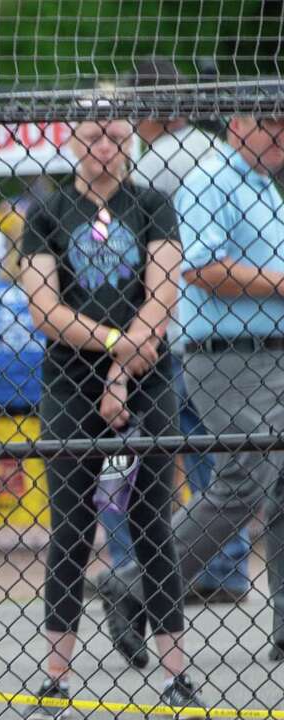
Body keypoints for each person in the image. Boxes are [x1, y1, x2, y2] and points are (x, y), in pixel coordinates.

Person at [18, 117, 202, 720]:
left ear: (133, 142)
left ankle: (177, 672)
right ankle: (54, 677)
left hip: (147, 376)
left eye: (118, 137)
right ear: (75, 142)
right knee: (71, 524)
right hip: (70, 377)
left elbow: (163, 293)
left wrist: (123, 372)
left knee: (152, 519)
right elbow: (45, 306)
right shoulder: (49, 210)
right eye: (95, 136)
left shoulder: (153, 203)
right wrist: (115, 345)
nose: (106, 148)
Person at [102, 114, 284, 662]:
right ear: (235, 126)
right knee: (242, 482)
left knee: (281, 487)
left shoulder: (262, 185)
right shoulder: (213, 178)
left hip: (270, 352)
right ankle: (135, 583)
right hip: (229, 357)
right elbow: (199, 266)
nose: (277, 133)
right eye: (267, 122)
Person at [98, 58, 249, 599]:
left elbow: (127, 238)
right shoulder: (216, 150)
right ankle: (221, 569)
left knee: (133, 454)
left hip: (160, 324)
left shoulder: (155, 160)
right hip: (208, 331)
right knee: (217, 457)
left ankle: (132, 568)